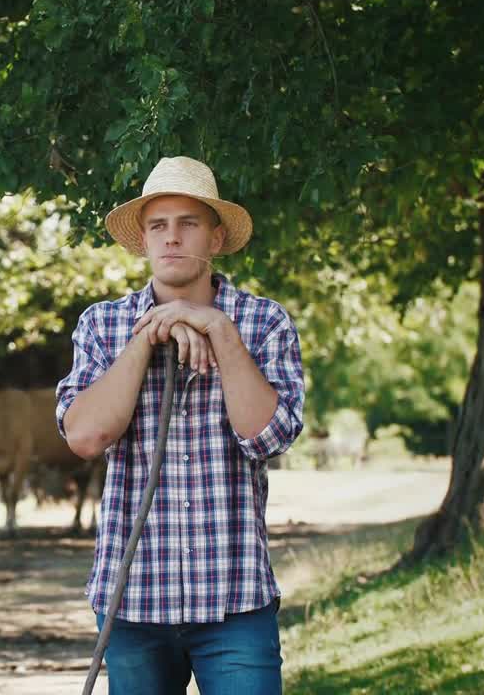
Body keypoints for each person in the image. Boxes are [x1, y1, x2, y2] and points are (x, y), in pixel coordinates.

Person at [56, 156, 305, 694]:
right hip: (134, 602)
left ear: (215, 239)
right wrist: (148, 336)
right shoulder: (103, 324)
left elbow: (269, 436)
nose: (172, 238)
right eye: (158, 226)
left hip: (235, 600)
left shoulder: (264, 321)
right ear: (143, 241)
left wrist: (219, 330)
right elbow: (86, 436)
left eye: (188, 224)